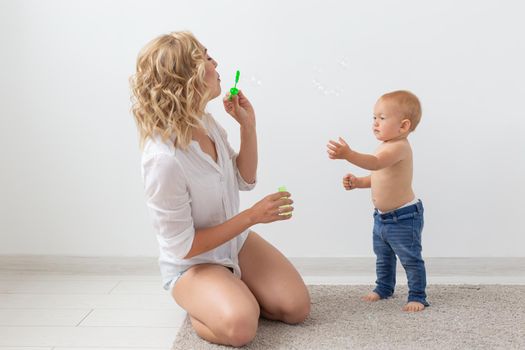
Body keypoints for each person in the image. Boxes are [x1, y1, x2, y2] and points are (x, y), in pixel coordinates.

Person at [129, 31, 310, 347]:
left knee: (296, 308)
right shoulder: (164, 159)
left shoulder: (205, 123)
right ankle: (203, 304)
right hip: (192, 264)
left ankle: (230, 289)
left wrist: (247, 126)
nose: (216, 63)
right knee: (241, 328)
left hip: (233, 243)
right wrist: (252, 217)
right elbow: (182, 247)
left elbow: (245, 179)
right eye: (207, 58)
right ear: (189, 77)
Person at [326, 90, 429, 312]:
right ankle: (384, 287)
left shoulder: (398, 147)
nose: (375, 123)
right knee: (383, 257)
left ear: (403, 126)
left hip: (404, 217)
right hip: (382, 218)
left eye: (382, 118)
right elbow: (379, 177)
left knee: (410, 259)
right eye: (374, 117)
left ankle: (417, 295)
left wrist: (348, 154)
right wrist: (358, 182)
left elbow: (374, 164)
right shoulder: (385, 146)